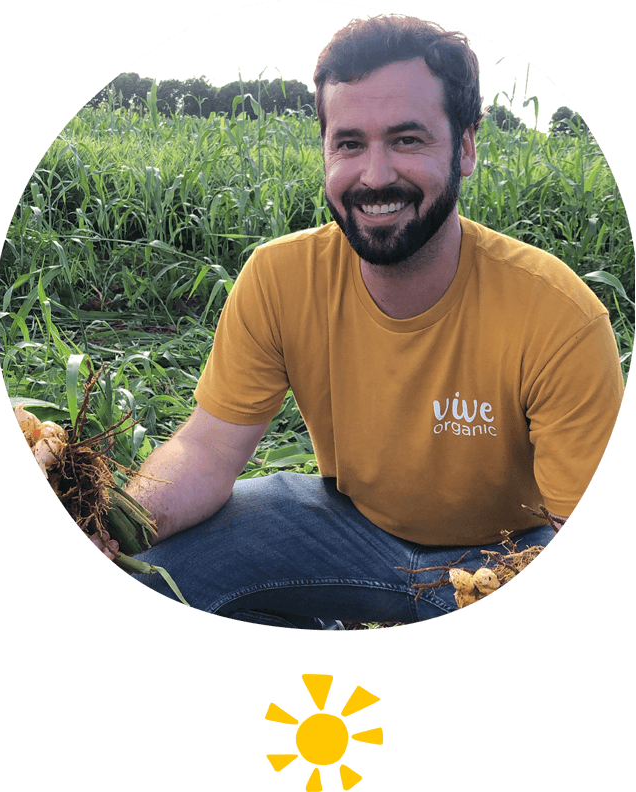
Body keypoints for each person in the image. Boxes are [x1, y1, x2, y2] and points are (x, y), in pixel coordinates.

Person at [93, 15, 624, 628]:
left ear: (467, 146)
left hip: (508, 555)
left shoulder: (558, 316)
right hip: (347, 529)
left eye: (407, 140)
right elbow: (207, 451)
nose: (374, 177)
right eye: (349, 143)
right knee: (161, 569)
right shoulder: (279, 278)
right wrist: (113, 517)